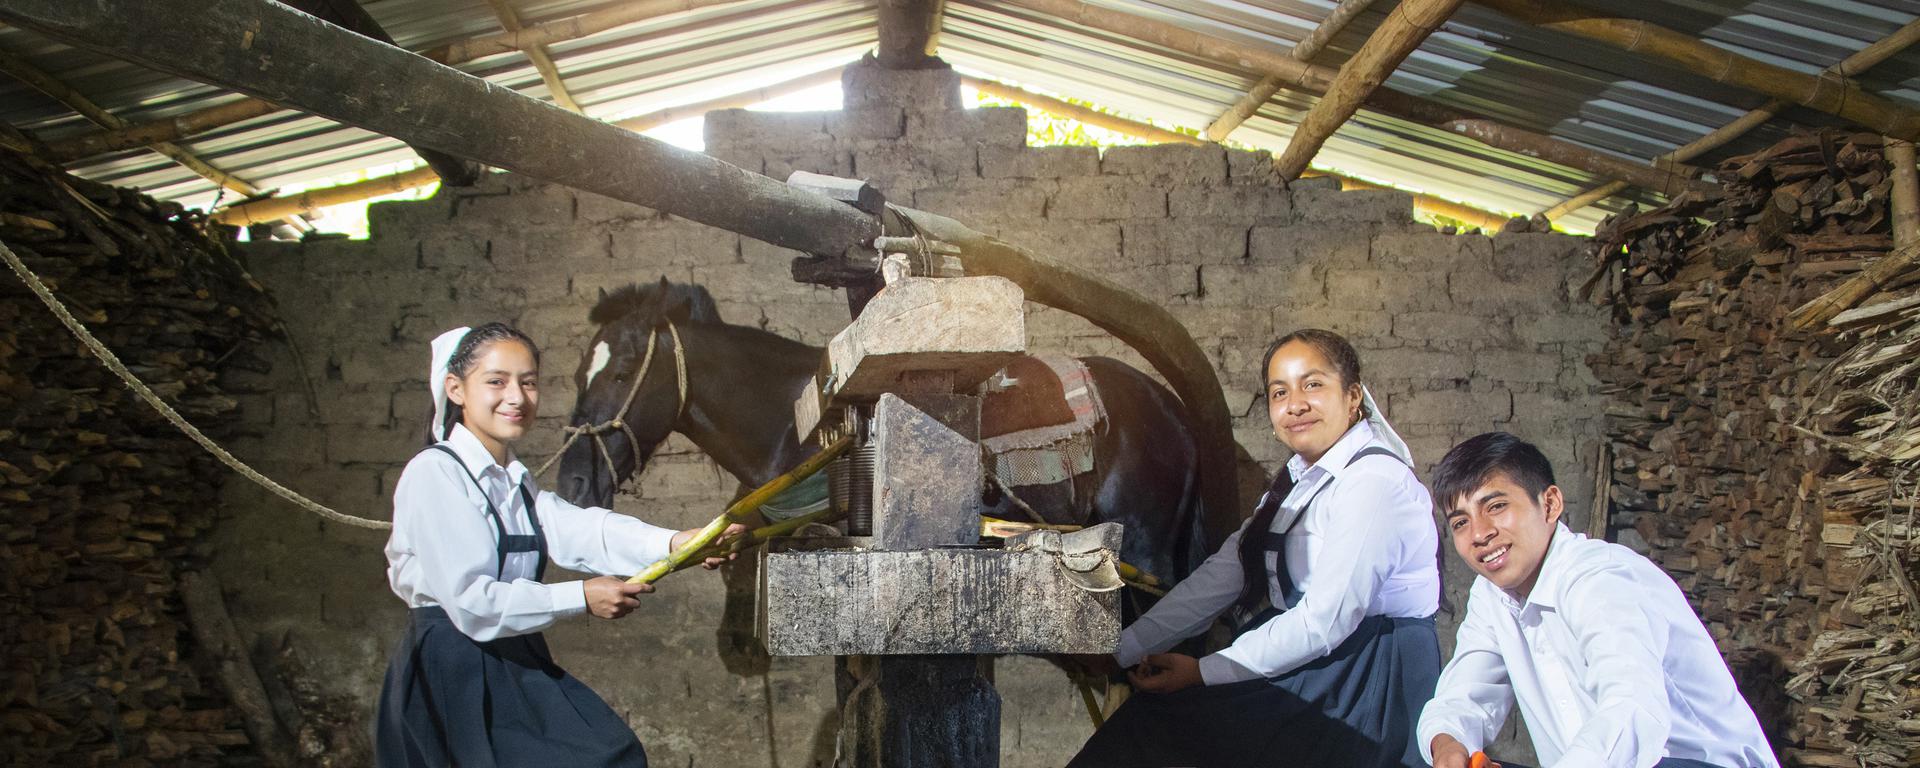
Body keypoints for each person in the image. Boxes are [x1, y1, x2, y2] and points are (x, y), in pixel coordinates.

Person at [1067, 328, 1443, 768]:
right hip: (1316, 662)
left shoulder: (1373, 483)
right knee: (1150, 727)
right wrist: (1123, 648)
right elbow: (1225, 573)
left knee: (1157, 736)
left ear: (1354, 396)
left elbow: (1325, 622)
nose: (1295, 404)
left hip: (1366, 680)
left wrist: (1204, 672)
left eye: (1313, 384)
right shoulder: (1298, 483)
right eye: (1279, 392)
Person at [376, 323, 741, 768]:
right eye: (497, 381)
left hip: (510, 652)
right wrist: (581, 596)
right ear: (455, 388)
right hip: (453, 665)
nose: (517, 397)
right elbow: (472, 603)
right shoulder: (435, 474)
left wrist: (678, 542)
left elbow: (582, 530)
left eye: (528, 382)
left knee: (612, 754)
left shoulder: (512, 480)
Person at [1418, 432, 1778, 768]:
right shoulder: (1492, 596)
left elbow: (1631, 710)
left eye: (1495, 506)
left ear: (1550, 504)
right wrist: (1449, 744)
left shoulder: (1602, 578)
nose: (1480, 533)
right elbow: (1464, 695)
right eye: (1460, 522)